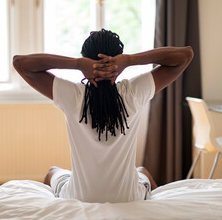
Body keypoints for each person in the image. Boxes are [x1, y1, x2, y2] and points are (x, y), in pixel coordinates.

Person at [13, 29, 193, 203]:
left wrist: (76, 64)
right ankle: (153, 208)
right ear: (119, 60)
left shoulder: (73, 95)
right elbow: (185, 55)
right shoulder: (133, 93)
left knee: (53, 171)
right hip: (128, 197)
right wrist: (130, 60)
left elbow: (20, 63)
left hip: (80, 196)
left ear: (86, 59)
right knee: (142, 171)